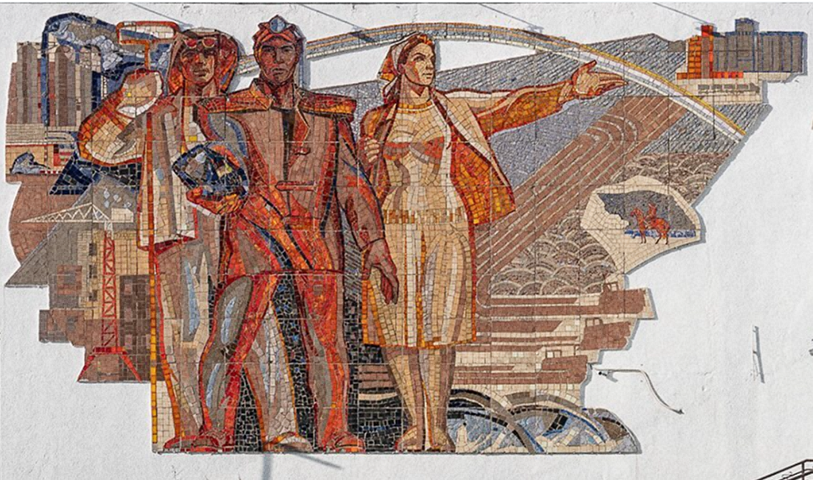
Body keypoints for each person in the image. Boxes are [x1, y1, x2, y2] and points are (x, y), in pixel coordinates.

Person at [358, 33, 626, 452]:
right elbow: (361, 182)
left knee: (440, 328)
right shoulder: (377, 119)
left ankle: (437, 426)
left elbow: (510, 105)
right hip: (395, 224)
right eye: (421, 59)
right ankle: (415, 425)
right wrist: (368, 161)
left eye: (432, 58)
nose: (430, 66)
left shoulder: (452, 108)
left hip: (446, 222)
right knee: (398, 328)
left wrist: (569, 90)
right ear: (401, 66)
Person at [78, 29, 304, 452]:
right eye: (191, 55)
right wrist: (126, 99)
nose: (200, 62)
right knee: (187, 334)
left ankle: (281, 428)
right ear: (179, 62)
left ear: (224, 62)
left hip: (240, 232)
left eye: (210, 54)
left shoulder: (240, 111)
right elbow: (96, 146)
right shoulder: (160, 114)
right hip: (179, 232)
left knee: (258, 325)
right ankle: (195, 431)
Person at [185, 16, 399, 453]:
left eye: (286, 50)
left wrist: (374, 243)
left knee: (327, 346)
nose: (277, 59)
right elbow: (216, 174)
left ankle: (334, 432)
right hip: (253, 238)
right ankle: (214, 432)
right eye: (269, 51)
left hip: (316, 240)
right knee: (228, 338)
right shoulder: (226, 112)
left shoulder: (329, 113)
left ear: (298, 55)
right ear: (257, 56)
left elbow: (351, 182)